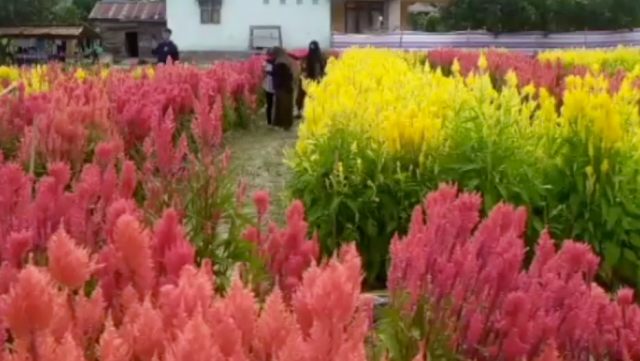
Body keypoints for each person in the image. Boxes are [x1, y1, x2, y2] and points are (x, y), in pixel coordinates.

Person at [296, 40, 326, 117]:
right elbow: (322, 70)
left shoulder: (308, 57)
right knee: (313, 97)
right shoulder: (321, 57)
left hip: (307, 80)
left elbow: (307, 69)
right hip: (315, 81)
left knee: (303, 96)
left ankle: (301, 111)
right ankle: (312, 112)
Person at [271, 47, 295, 130]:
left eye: (274, 54)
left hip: (282, 88)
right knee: (284, 106)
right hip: (286, 87)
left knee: (283, 106)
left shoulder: (280, 63)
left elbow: (280, 76)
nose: (273, 56)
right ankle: (284, 124)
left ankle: (284, 124)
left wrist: (270, 72)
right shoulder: (286, 61)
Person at [262, 48, 276, 125]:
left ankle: (271, 121)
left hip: (271, 85)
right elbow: (266, 72)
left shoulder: (268, 63)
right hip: (270, 85)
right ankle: (270, 121)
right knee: (270, 104)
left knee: (271, 104)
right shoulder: (268, 63)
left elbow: (266, 73)